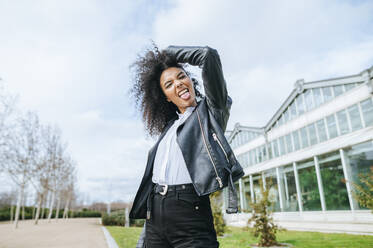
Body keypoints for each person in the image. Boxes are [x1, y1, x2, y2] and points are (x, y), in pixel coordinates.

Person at [129, 45, 244, 248]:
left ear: (191, 81)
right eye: (169, 84)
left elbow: (208, 56)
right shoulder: (170, 128)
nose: (178, 84)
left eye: (182, 77)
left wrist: (168, 54)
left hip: (190, 212)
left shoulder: (211, 113)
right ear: (166, 96)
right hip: (155, 213)